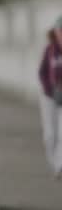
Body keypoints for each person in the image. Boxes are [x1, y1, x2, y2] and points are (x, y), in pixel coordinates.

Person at [38, 15, 62, 180]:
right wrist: (50, 90)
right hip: (49, 97)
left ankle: (59, 167)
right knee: (50, 134)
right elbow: (42, 73)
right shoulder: (50, 49)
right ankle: (53, 162)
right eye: (60, 30)